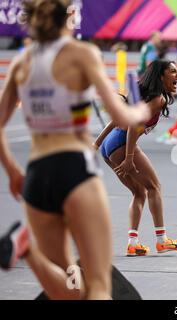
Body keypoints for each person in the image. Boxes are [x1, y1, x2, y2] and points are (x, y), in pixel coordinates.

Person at [0, 0, 150, 300]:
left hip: (37, 175)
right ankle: (28, 250)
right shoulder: (82, 54)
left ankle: (27, 249)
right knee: (98, 285)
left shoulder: (21, 63)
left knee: (68, 284)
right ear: (70, 16)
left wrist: (13, 170)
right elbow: (120, 117)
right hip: (74, 169)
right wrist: (140, 113)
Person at [94, 60, 177, 256]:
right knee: (154, 187)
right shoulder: (158, 99)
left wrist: (97, 143)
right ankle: (162, 240)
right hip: (121, 143)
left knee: (139, 193)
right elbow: (133, 129)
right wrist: (128, 158)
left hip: (110, 145)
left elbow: (117, 119)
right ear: (161, 76)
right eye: (173, 72)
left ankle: (133, 243)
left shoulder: (143, 96)